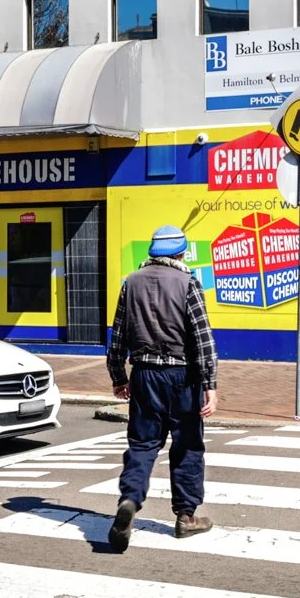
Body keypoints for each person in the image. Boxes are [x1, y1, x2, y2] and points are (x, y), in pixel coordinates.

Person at [106, 224, 218, 549]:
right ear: (180, 254)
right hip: (183, 377)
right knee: (187, 446)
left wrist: (119, 377)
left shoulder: (131, 283)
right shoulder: (188, 283)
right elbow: (202, 338)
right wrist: (210, 383)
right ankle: (186, 517)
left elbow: (117, 338)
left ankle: (129, 501)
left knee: (142, 445)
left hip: (144, 375)